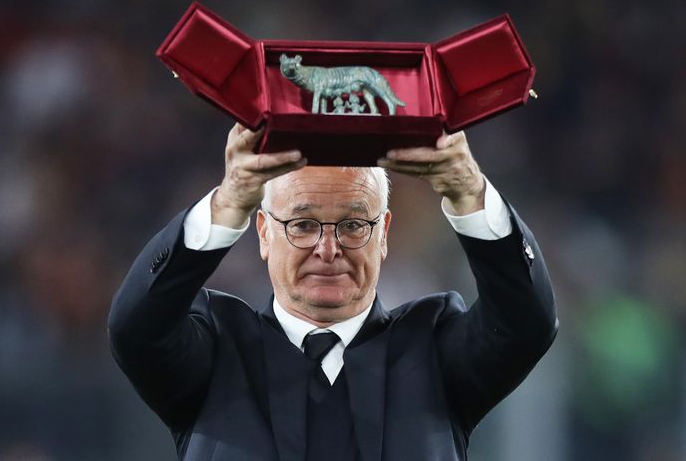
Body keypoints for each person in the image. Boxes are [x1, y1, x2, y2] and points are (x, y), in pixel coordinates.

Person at [108, 123, 558, 460]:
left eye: (354, 225)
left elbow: (526, 325)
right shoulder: (217, 350)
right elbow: (135, 329)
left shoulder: (434, 349)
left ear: (383, 234)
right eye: (303, 225)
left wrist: (469, 191)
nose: (328, 249)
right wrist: (227, 203)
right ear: (263, 232)